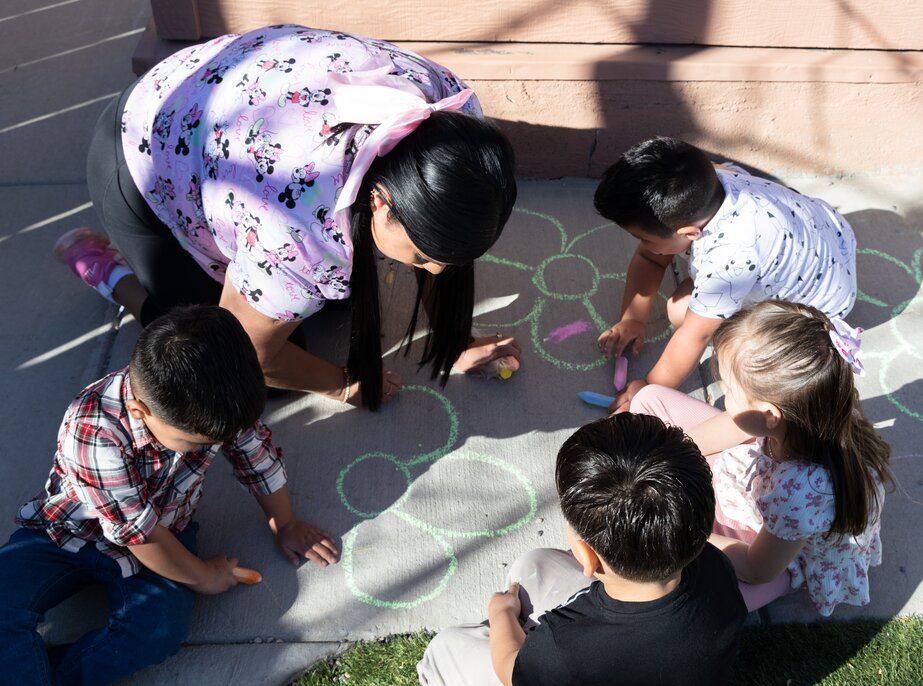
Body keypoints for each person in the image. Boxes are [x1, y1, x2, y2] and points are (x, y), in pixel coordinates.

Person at [54, 25, 520, 410]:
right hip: (141, 159)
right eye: (421, 256)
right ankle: (110, 273)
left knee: (331, 301)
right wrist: (341, 384)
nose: (434, 272)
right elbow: (253, 353)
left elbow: (441, 226)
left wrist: (454, 336)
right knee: (222, 366)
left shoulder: (457, 123)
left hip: (209, 106)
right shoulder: (299, 235)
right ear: (380, 201)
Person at [0, 305, 339, 685]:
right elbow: (140, 536)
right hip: (68, 532)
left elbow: (255, 456)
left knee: (158, 631)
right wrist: (204, 576)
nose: (205, 448)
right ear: (140, 410)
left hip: (165, 529)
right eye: (196, 442)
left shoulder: (220, 398)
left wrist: (285, 522)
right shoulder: (94, 430)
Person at [417, 413, 747, 686]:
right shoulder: (717, 570)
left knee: (445, 649)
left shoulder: (564, 652)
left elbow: (510, 669)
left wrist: (501, 614)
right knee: (534, 565)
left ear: (588, 557)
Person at [630, 300, 892, 615]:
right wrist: (669, 454)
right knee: (648, 399)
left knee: (694, 605)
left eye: (729, 388)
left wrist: (680, 530)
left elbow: (757, 569)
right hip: (764, 493)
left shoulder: (796, 493)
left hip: (779, 558)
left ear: (769, 416)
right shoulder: (820, 405)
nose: (725, 395)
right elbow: (736, 425)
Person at [594, 136, 857, 412]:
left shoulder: (730, 258)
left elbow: (694, 336)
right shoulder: (711, 176)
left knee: (686, 315)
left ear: (688, 233)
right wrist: (633, 318)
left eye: (644, 239)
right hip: (829, 238)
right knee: (687, 302)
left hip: (820, 302)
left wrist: (648, 387)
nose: (642, 246)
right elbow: (650, 258)